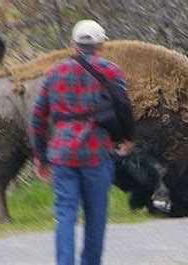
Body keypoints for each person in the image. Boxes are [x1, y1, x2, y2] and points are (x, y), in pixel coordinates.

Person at [29, 20, 133, 265]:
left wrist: (41, 157)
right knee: (96, 218)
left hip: (62, 155)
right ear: (102, 45)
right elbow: (124, 109)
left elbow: (37, 117)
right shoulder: (111, 71)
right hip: (97, 153)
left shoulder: (54, 72)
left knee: (65, 214)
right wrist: (127, 139)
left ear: (74, 46)